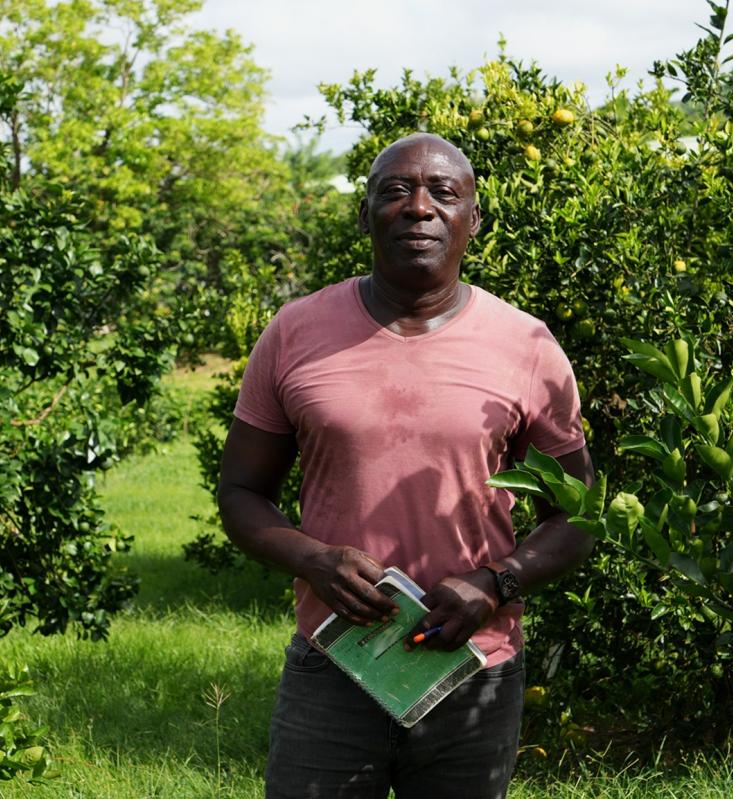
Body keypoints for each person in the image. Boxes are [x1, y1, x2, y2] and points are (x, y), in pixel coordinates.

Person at [218, 132, 595, 799]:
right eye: (394, 190)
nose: (418, 207)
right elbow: (243, 492)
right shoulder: (295, 331)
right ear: (364, 215)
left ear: (472, 220)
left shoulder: (526, 345)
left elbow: (579, 514)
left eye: (443, 192)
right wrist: (313, 559)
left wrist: (497, 582)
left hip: (473, 668)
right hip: (335, 662)